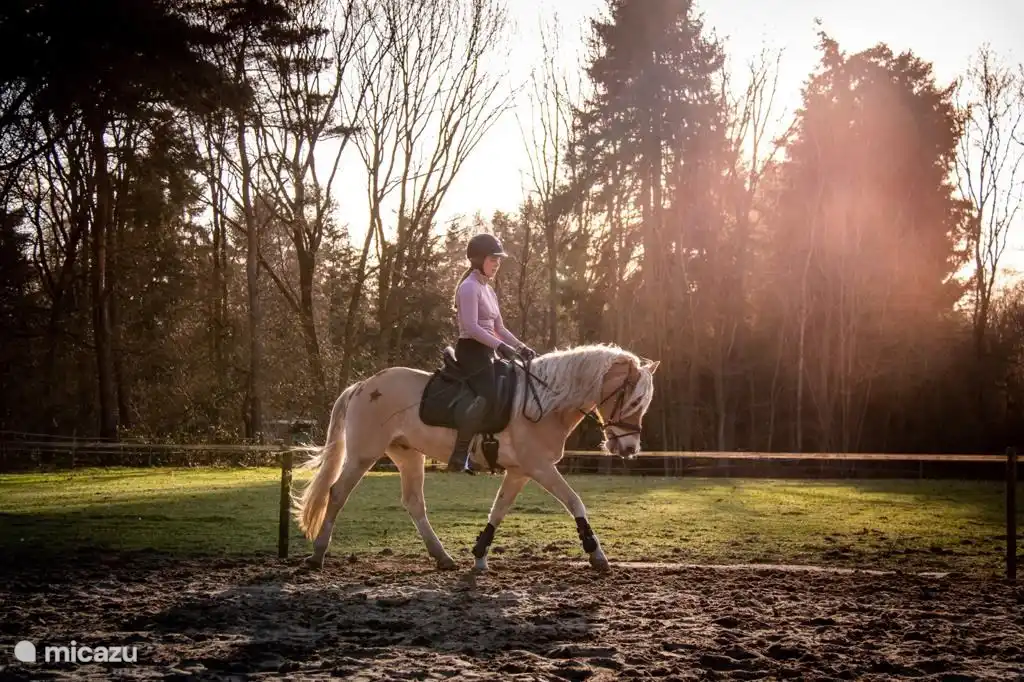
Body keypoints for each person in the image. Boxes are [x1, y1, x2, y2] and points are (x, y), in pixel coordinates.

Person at [446, 233, 537, 473]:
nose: (497, 263)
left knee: (509, 386)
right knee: (487, 393)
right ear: (478, 260)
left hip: (489, 350)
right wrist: (500, 346)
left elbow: (499, 328)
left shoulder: (489, 290)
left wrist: (520, 347)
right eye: (492, 258)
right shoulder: (468, 288)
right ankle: (460, 455)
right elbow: (472, 327)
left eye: (498, 259)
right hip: (471, 350)